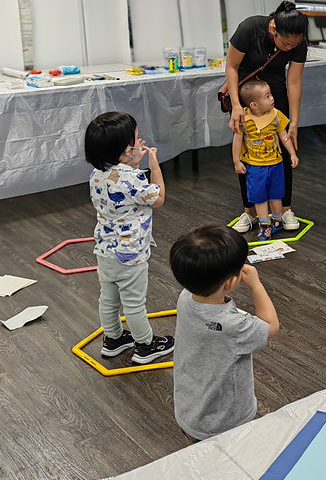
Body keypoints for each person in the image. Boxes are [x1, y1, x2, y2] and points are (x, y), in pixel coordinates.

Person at [169, 224, 279, 441]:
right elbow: (271, 325)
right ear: (230, 282)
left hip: (189, 409)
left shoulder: (186, 297)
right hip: (225, 422)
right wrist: (256, 286)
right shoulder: (234, 326)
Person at [84, 111, 175, 364]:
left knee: (108, 298)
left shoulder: (96, 174)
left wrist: (131, 164)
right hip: (130, 254)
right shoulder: (132, 178)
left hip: (105, 251)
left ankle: (113, 339)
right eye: (136, 138)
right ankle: (145, 345)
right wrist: (154, 164)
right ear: (125, 150)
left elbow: (120, 187)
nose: (140, 141)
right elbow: (158, 198)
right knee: (134, 303)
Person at [221, 1, 308, 234]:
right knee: (248, 152)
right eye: (285, 44)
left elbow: (294, 81)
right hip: (246, 93)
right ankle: (250, 212)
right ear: (273, 29)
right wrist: (236, 105)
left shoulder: (299, 40)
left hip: (274, 92)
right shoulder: (250, 28)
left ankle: (285, 209)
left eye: (294, 45)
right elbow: (231, 66)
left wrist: (294, 122)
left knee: (283, 147)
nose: (289, 48)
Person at [233, 78, 299, 242]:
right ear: (254, 105)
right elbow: (237, 140)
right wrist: (236, 161)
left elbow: (284, 137)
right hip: (255, 167)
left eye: (270, 94)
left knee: (276, 194)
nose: (272, 98)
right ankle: (264, 224)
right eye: (267, 96)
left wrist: (292, 153)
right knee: (259, 196)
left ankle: (277, 219)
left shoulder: (276, 115)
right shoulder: (244, 119)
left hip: (276, 164)